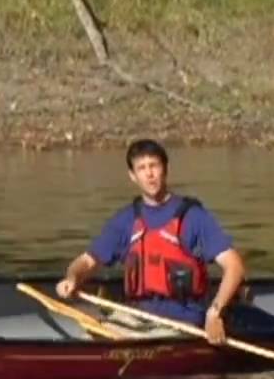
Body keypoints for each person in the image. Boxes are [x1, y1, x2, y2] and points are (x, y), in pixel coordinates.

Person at [56, 139, 246, 345]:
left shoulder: (193, 217)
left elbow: (234, 266)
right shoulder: (126, 220)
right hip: (135, 318)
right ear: (132, 176)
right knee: (90, 338)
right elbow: (86, 262)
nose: (149, 174)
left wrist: (215, 312)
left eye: (154, 166)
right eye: (142, 168)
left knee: (120, 343)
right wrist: (72, 277)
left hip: (181, 322)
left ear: (165, 169)